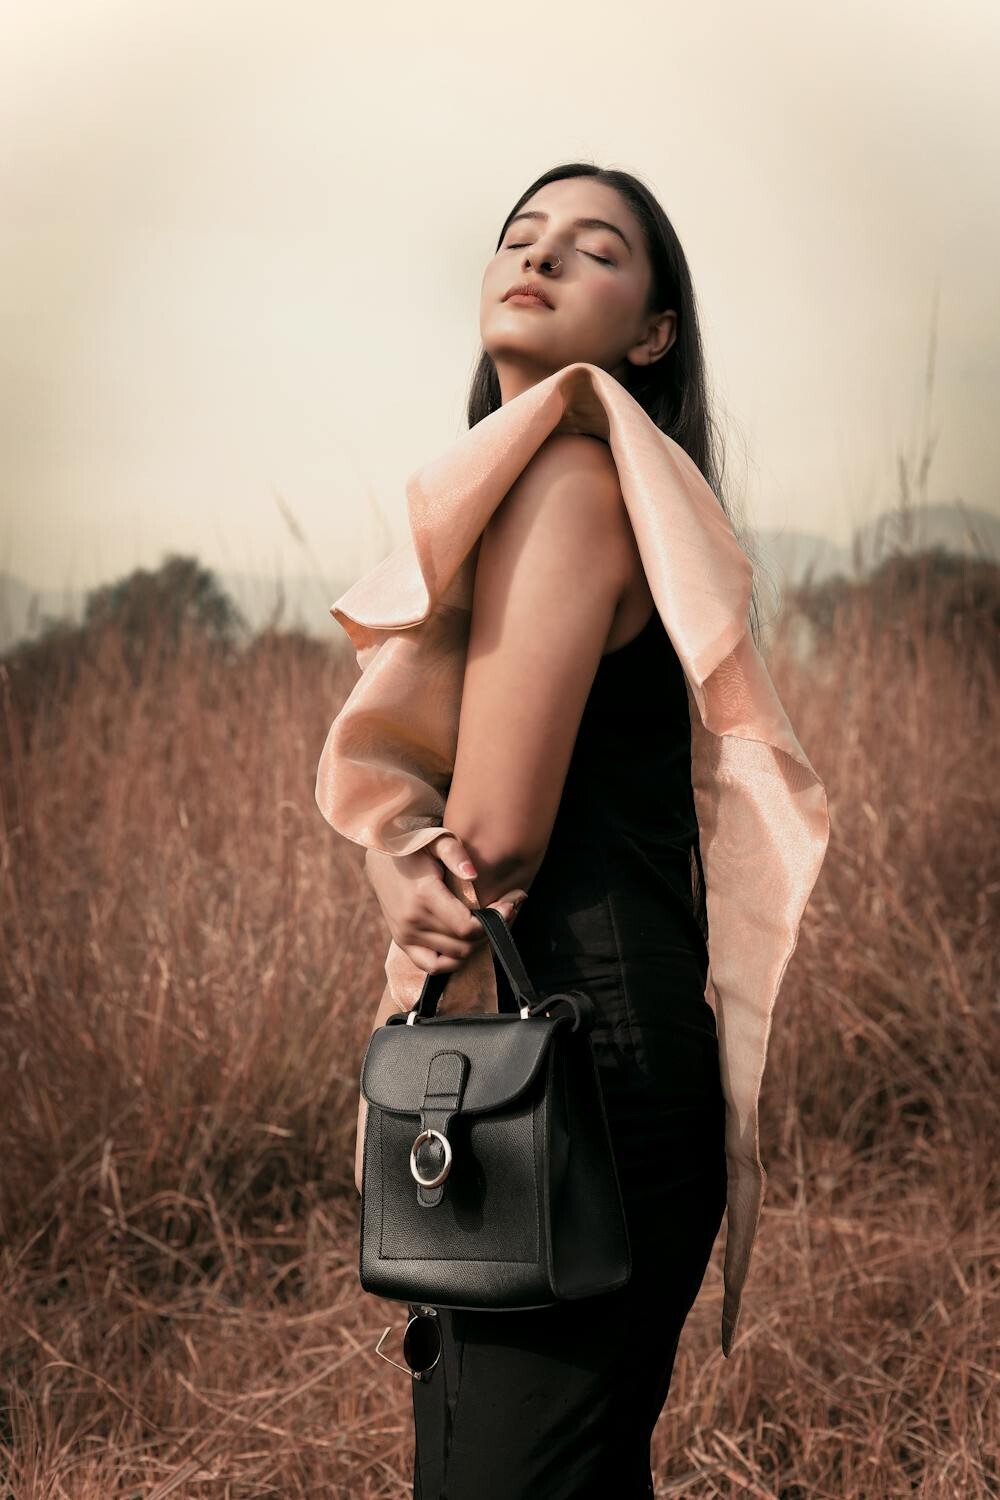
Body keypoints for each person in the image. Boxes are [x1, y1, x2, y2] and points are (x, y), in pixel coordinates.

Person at [316, 162, 830, 1498]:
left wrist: (393, 853)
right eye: (520, 236)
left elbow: (487, 842)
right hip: (599, 1051)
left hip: (572, 1066)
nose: (538, 257)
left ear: (653, 335)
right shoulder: (574, 484)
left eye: (595, 250)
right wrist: (390, 853)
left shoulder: (568, 481)